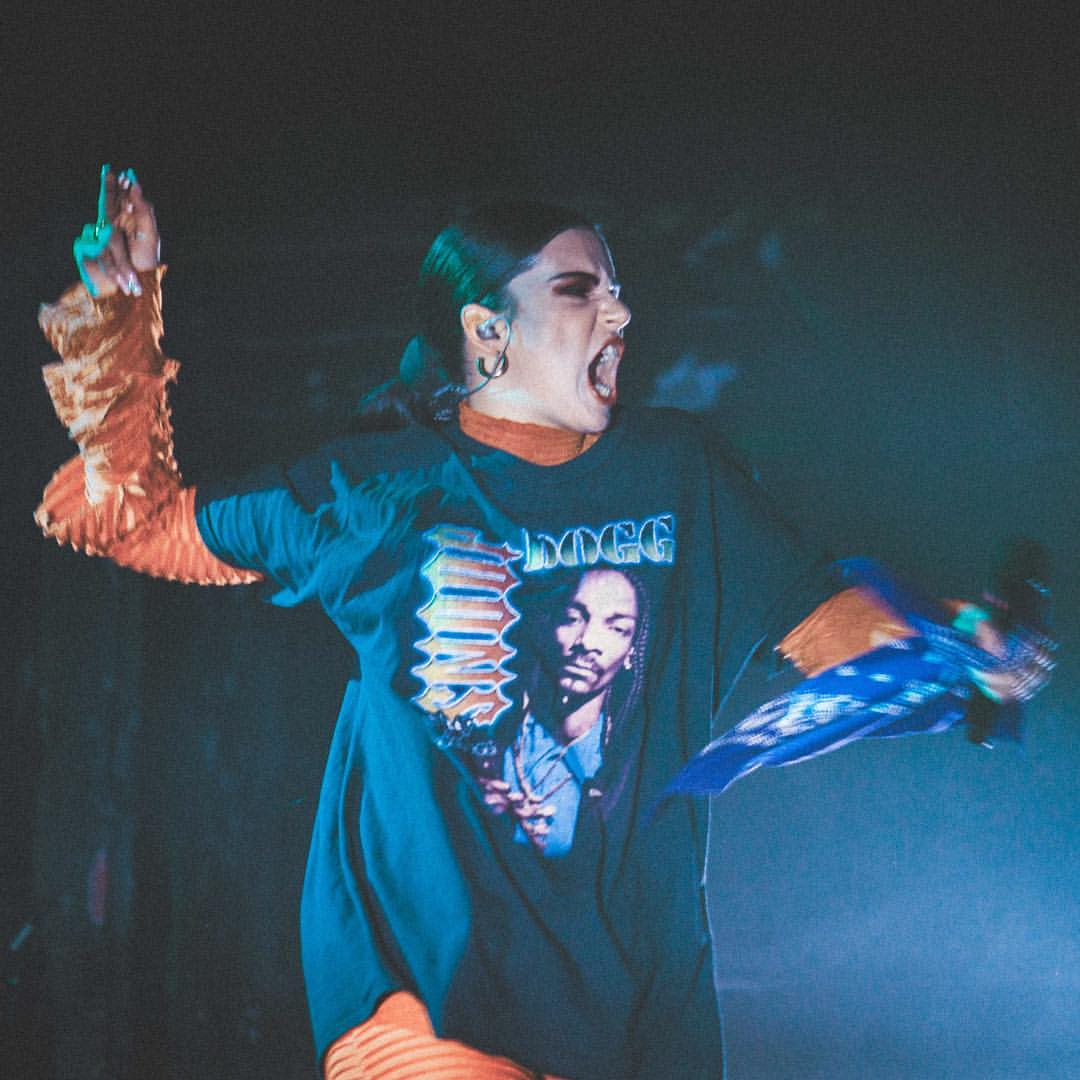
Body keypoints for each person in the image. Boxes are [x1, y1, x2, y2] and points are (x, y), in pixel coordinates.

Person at [36, 168, 1046, 1079]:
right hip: (427, 999)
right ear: (488, 332)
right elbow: (142, 522)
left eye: (618, 289)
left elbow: (817, 620)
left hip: (636, 1003)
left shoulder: (677, 474)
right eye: (579, 290)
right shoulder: (378, 491)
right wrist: (121, 318)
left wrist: (961, 652)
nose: (621, 310)